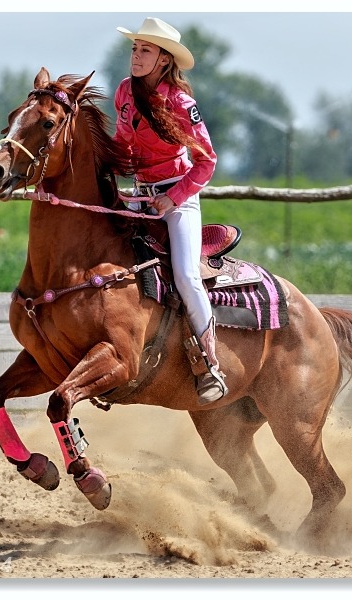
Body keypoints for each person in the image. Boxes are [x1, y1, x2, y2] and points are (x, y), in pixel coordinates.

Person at [113, 17, 227, 404]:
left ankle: (210, 362)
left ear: (164, 60)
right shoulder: (124, 93)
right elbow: (122, 144)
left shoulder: (181, 103)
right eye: (134, 48)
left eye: (145, 50)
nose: (137, 55)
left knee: (186, 273)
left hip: (177, 201)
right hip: (139, 197)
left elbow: (206, 162)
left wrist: (174, 198)